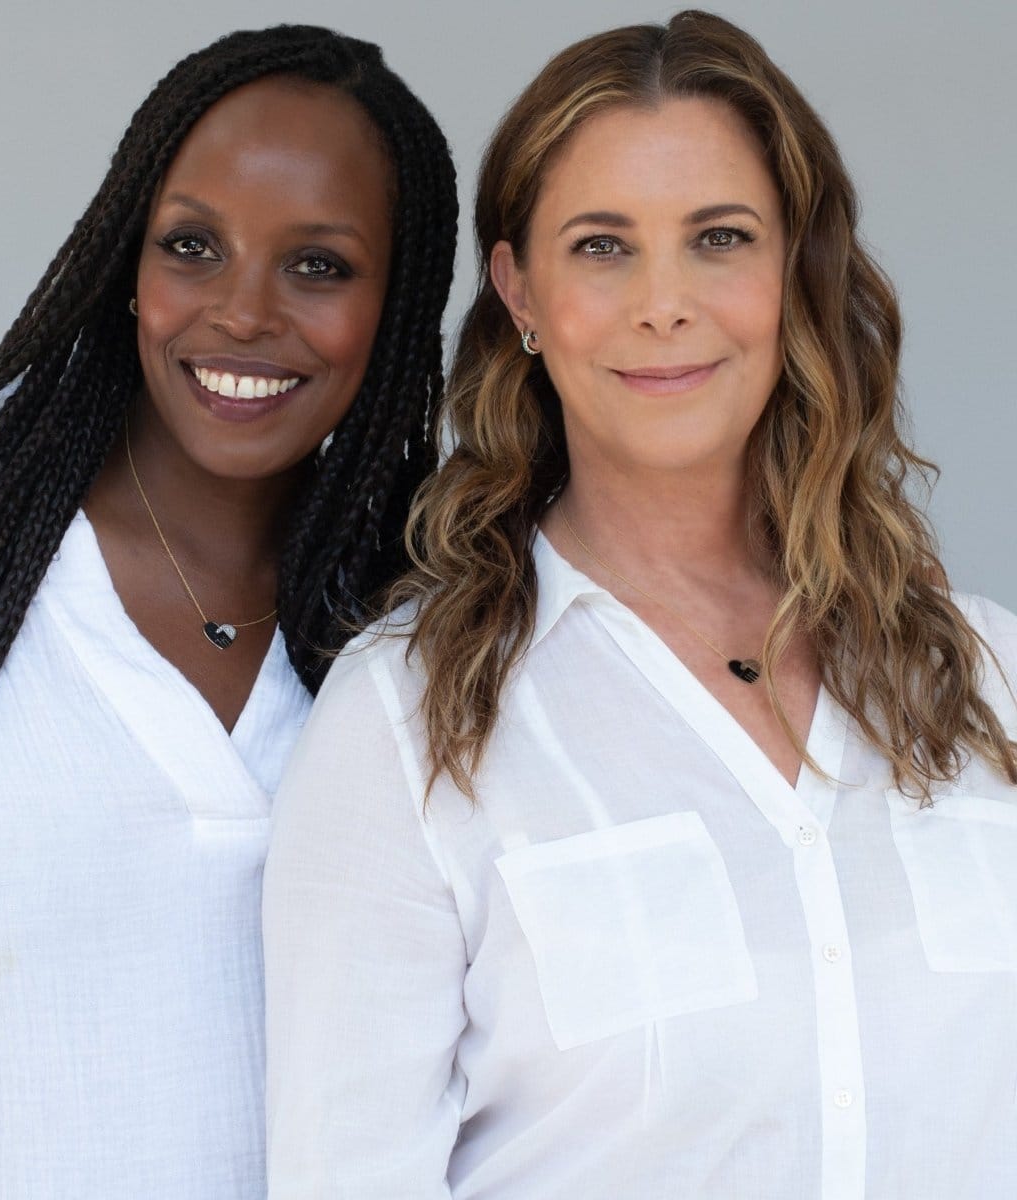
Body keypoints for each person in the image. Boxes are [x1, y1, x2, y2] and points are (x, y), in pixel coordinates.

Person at [262, 10, 1017, 1198]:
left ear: (792, 270)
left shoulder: (986, 674)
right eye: (603, 247)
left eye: (718, 237)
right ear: (520, 289)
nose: (664, 303)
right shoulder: (407, 728)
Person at [0, 24, 455, 1199]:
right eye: (192, 247)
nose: (245, 313)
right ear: (126, 262)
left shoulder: (424, 622)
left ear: (400, 303)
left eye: (320, 265)